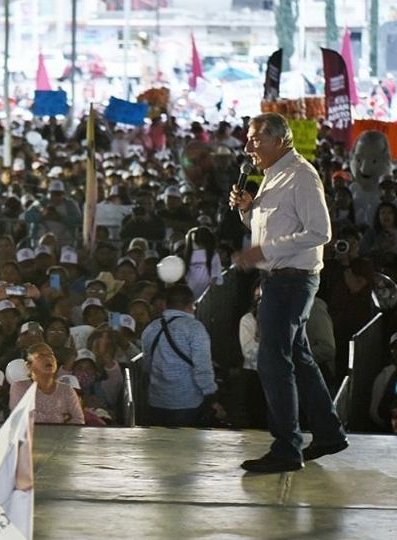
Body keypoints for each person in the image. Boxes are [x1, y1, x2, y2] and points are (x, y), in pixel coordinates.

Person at [229, 112, 347, 473]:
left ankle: (287, 447)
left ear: (280, 139)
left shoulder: (301, 175)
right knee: (298, 357)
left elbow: (320, 232)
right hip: (278, 278)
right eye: (248, 139)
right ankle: (328, 432)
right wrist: (248, 211)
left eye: (256, 138)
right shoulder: (270, 175)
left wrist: (262, 252)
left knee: (273, 361)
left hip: (293, 280)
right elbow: (267, 226)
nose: (249, 146)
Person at [141, 284, 220, 427]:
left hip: (157, 400)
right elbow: (202, 369)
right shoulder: (195, 328)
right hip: (187, 402)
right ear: (192, 304)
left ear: (166, 304)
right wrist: (212, 398)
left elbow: (147, 366)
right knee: (186, 447)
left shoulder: (151, 328)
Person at [9, 343, 84, 425]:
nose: (48, 358)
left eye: (51, 355)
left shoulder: (67, 390)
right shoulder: (20, 387)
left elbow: (78, 420)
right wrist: (61, 418)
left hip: (61, 437)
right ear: (29, 366)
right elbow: (24, 418)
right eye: (41, 355)